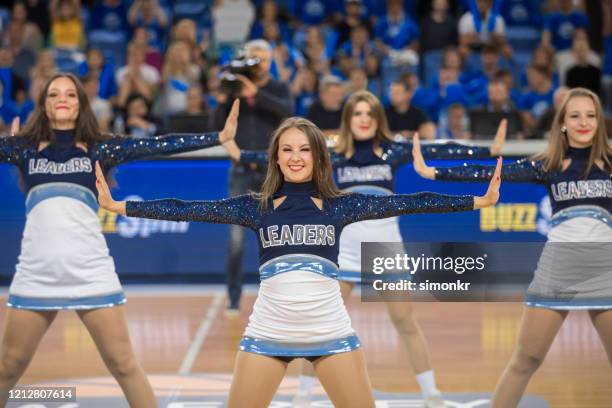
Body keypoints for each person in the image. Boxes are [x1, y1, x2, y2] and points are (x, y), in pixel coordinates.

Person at [96, 116, 503, 408]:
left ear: (319, 158)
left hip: (331, 334)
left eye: (304, 149)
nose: (295, 157)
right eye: (286, 149)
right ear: (275, 158)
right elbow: (189, 208)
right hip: (268, 335)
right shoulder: (254, 208)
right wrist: (122, 206)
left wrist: (475, 200)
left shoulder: (340, 206)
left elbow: (410, 203)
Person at [222, 90, 506, 407]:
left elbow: (435, 154)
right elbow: (280, 154)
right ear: (348, 119)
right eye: (357, 113)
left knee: (405, 321)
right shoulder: (333, 152)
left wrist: (486, 151)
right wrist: (237, 152)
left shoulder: (392, 151)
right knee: (314, 318)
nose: (363, 119)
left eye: (369, 114)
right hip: (342, 247)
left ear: (378, 119)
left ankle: (432, 394)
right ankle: (302, 396)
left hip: (384, 246)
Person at [0, 73, 240, 407]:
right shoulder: (22, 149)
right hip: (36, 273)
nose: (62, 99)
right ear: (43, 104)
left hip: (91, 270)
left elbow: (158, 145)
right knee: (8, 369)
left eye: (70, 93)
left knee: (124, 364)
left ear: (82, 103)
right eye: (53, 94)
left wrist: (217, 137)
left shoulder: (101, 147)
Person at [411, 87, 612, 407]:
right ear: (562, 122)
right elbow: (490, 172)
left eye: (590, 115)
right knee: (527, 359)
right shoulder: (550, 165)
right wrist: (433, 172)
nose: (583, 122)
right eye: (575, 115)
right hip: (559, 267)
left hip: (604, 268)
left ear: (600, 122)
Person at [212, 39, 293, 313]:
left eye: (264, 60)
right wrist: (224, 101)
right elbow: (218, 129)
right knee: (235, 241)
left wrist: (255, 92)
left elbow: (287, 113)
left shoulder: (278, 87)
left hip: (273, 173)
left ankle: (278, 297)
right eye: (253, 59)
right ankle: (234, 298)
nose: (259, 65)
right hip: (241, 172)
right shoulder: (235, 88)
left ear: (270, 61)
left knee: (278, 238)